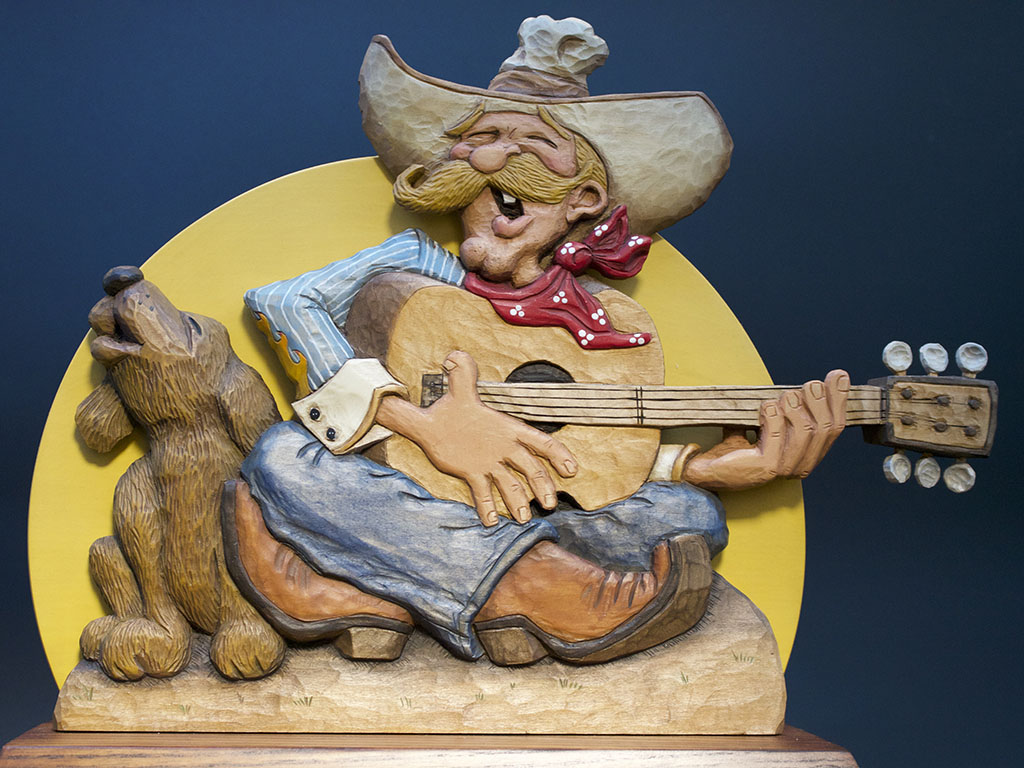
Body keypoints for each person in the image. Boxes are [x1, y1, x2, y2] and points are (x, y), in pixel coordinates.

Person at [230, 17, 849, 667]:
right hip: (400, 478)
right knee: (283, 459)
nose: (496, 160)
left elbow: (586, 456)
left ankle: (383, 582)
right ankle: (534, 589)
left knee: (689, 515)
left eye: (530, 146)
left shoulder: (603, 319)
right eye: (485, 142)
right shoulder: (414, 264)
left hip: (504, 510)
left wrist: (695, 468)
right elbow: (281, 301)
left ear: (583, 198)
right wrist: (424, 425)